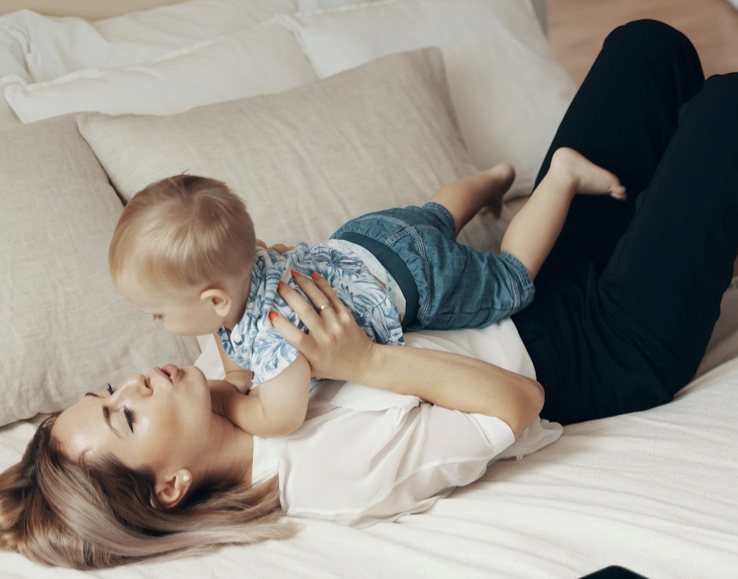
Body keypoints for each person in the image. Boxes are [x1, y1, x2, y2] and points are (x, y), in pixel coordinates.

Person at [0, 19, 738, 569]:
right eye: (123, 417)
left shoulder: (226, 362)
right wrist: (363, 362)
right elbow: (517, 403)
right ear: (168, 486)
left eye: (109, 391)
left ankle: (705, 241)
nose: (135, 385)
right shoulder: (317, 479)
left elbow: (261, 275)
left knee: (647, 48)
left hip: (517, 291)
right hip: (595, 355)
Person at [108, 150, 625, 438]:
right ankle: (494, 178)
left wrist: (231, 401)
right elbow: (231, 336)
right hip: (366, 236)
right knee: (437, 214)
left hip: (423, 279)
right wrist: (236, 373)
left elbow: (280, 416)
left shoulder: (278, 340)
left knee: (512, 279)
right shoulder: (251, 260)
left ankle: (560, 177)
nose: (154, 322)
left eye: (156, 313)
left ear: (216, 300)